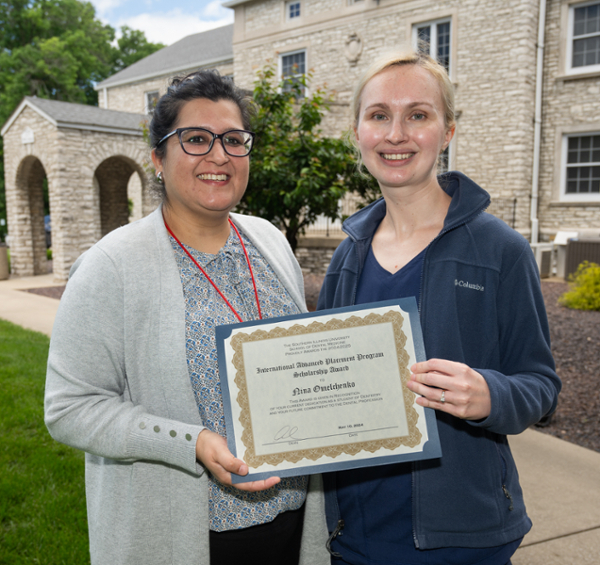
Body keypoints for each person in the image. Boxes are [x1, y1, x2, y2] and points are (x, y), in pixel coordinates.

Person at [45, 70, 328, 565]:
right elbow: (70, 408)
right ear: (158, 157)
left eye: (234, 140)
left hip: (293, 523)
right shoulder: (112, 265)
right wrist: (189, 441)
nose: (219, 155)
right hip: (186, 539)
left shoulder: (270, 240)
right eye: (196, 139)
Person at [317, 51, 561, 565]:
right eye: (379, 114)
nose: (396, 133)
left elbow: (540, 385)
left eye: (418, 115)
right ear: (358, 132)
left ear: (447, 130)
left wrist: (490, 394)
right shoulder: (347, 256)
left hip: (465, 542)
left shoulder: (499, 250)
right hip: (355, 539)